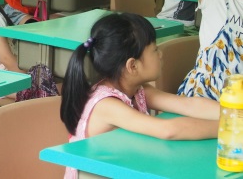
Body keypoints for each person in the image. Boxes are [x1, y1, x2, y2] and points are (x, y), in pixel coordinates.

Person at [60, 12, 219, 179]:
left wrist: (232, 115)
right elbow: (167, 130)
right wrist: (228, 129)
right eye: (155, 49)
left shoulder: (137, 90)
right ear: (133, 66)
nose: (160, 54)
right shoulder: (106, 105)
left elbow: (188, 105)